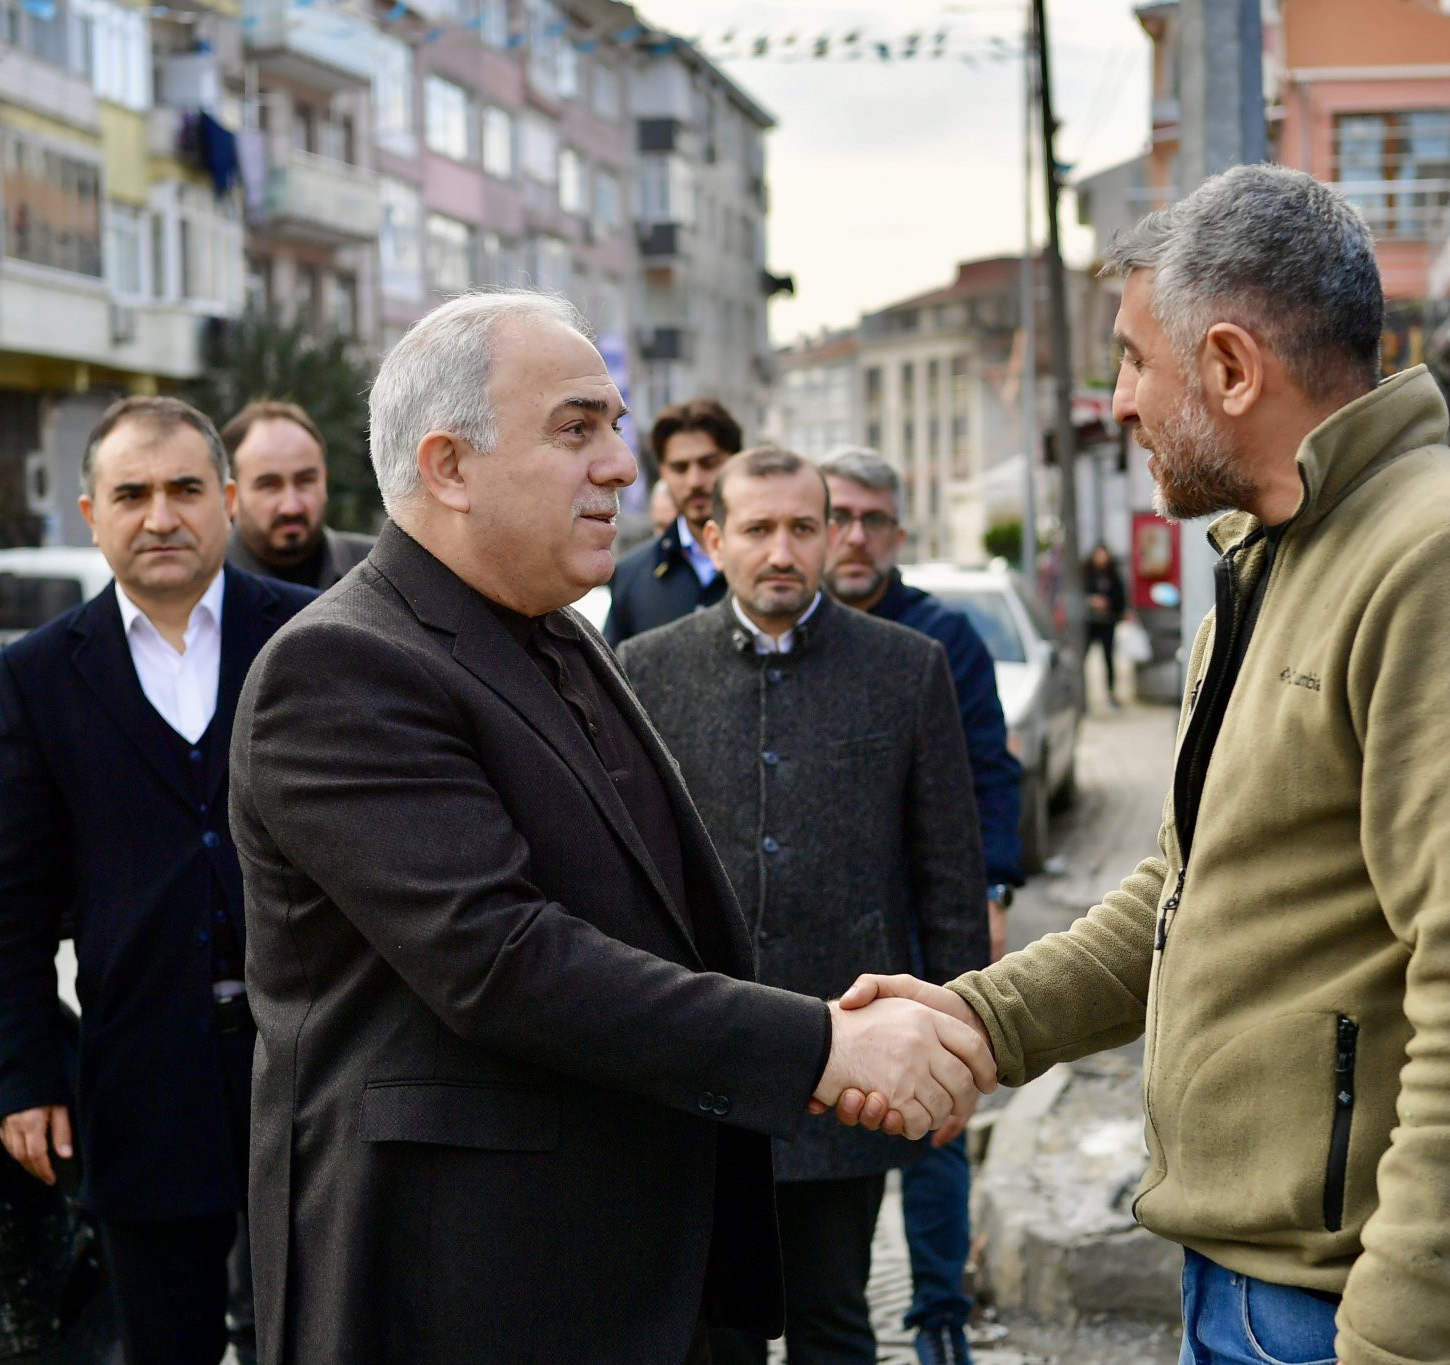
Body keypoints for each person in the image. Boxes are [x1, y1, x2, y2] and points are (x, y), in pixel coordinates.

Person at [832, 165, 1450, 1365]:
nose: (1118, 402)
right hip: (1254, 1285)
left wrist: (1403, 1335)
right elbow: (1188, 887)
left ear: (1232, 368)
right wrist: (979, 1021)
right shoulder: (1276, 554)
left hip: (1366, 1310)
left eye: (1132, 360)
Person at [227, 291, 995, 1365]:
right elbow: (503, 959)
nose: (623, 467)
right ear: (448, 467)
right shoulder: (342, 666)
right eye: (576, 428)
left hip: (617, 1267)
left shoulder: (556, 633)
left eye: (615, 427)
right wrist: (821, 1045)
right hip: (461, 1291)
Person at [619, 447, 987, 1365]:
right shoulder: (646, 669)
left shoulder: (908, 667)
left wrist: (960, 1050)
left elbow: (948, 872)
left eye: (802, 527)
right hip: (706, 1060)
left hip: (853, 1064)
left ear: (829, 536)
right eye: (758, 529)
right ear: (713, 540)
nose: (781, 551)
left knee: (833, 1316)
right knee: (721, 1327)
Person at [0, 396, 317, 1365]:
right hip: (139, 1083)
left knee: (317, 1334)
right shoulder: (39, 674)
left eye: (184, 489)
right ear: (93, 514)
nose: (160, 516)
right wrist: (24, 1076)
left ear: (227, 502)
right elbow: (12, 900)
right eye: (131, 494)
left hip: (307, 1071)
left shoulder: (308, 636)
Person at [820, 447, 1022, 1363]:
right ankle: (832, 1308)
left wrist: (991, 891)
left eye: (874, 520)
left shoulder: (944, 637)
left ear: (900, 533)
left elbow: (991, 774)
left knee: (937, 1120)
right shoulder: (799, 635)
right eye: (839, 516)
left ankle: (939, 1314)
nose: (855, 536)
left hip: (926, 917)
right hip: (834, 927)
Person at [601, 397, 741, 645]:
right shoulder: (631, 576)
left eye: (708, 464)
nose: (694, 481)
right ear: (663, 472)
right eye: (680, 467)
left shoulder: (772, 563)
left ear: (736, 462)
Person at [221, 400, 375, 589]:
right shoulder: (205, 586)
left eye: (305, 481)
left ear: (324, 481)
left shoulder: (382, 569)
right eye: (269, 486)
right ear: (231, 497)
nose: (291, 507)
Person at [1081, 544, 1128, 706]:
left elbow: (1120, 598)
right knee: (1083, 658)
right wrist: (1091, 601)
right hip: (1089, 623)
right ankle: (1082, 695)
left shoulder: (1113, 576)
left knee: (1108, 659)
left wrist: (1110, 605)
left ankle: (1111, 693)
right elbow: (1079, 594)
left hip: (1107, 622)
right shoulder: (1086, 574)